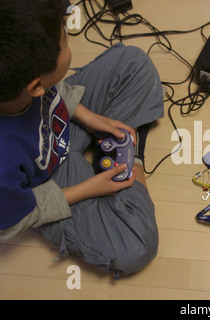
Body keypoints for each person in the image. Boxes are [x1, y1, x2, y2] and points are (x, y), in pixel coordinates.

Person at [0, 0, 164, 276]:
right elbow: (14, 220)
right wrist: (89, 189)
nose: (68, 43)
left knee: (133, 63)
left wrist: (88, 117)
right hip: (46, 180)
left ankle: (115, 157)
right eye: (65, 41)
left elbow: (54, 89)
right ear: (35, 85)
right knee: (135, 247)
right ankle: (128, 163)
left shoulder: (26, 84)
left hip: (59, 125)